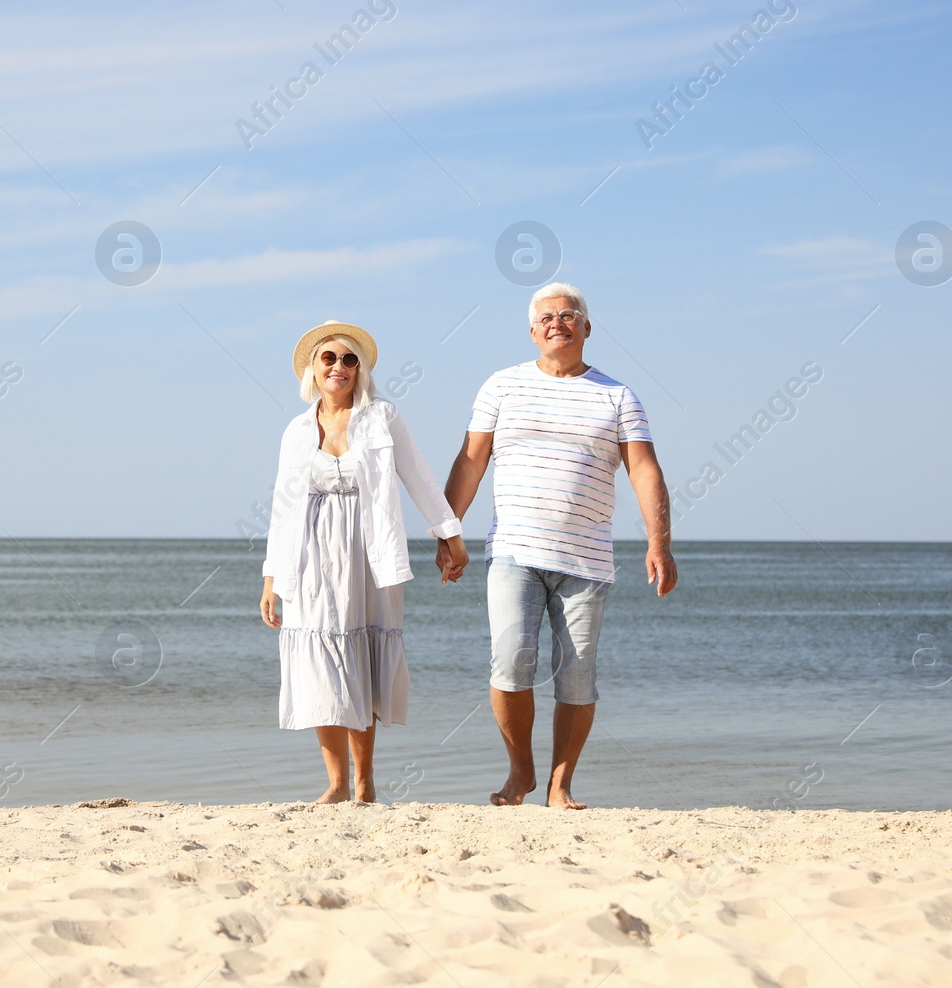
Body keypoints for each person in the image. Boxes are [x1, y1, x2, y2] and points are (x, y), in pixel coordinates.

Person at [440, 283, 677, 810]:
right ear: (532, 331)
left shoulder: (618, 395)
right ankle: (519, 768)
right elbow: (471, 460)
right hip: (515, 552)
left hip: (587, 558)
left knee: (577, 672)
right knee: (509, 662)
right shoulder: (501, 387)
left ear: (586, 329)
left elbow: (644, 469)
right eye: (546, 317)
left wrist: (658, 541)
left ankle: (560, 784)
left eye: (569, 315)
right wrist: (448, 530)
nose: (557, 323)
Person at [259, 320, 468, 804]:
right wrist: (272, 577)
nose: (339, 367)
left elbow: (418, 475)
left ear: (361, 368)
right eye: (328, 358)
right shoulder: (295, 430)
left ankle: (364, 781)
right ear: (312, 368)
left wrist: (450, 534)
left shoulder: (383, 416)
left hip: (369, 551)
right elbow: (282, 504)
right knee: (319, 666)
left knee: (362, 661)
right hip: (311, 554)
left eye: (349, 359)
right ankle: (334, 782)